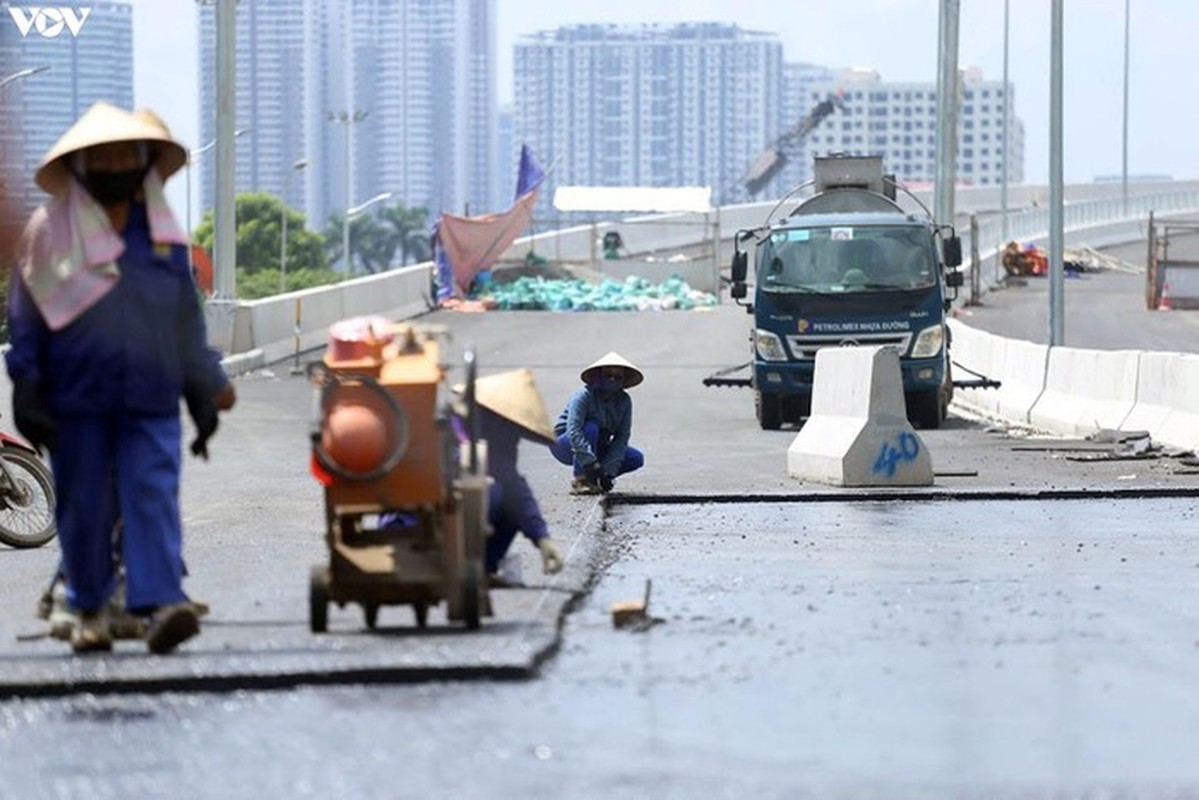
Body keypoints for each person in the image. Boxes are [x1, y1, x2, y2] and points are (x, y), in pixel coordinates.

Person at [5, 101, 221, 654]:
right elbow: (25, 318)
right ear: (82, 167)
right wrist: (26, 387)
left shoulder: (165, 235)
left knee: (152, 493)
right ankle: (89, 604)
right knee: (86, 505)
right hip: (75, 398)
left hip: (149, 393)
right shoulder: (47, 233)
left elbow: (184, 315)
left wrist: (201, 385)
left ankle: (161, 601)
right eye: (104, 158)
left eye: (127, 155)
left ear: (145, 162)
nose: (116, 165)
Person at [379, 368, 565, 588]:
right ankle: (458, 563)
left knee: (504, 498)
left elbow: (514, 487)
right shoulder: (444, 430)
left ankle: (481, 568)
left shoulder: (486, 436)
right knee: (495, 494)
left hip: (450, 524)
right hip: (410, 524)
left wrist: (541, 537)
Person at [551, 351, 645, 495]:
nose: (612, 380)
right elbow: (574, 430)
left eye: (617, 377)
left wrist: (608, 472)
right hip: (566, 444)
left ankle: (596, 480)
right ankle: (581, 479)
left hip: (596, 445)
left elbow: (621, 438)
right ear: (599, 376)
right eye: (608, 376)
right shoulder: (583, 396)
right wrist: (590, 463)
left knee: (635, 458)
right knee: (591, 428)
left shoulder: (624, 401)